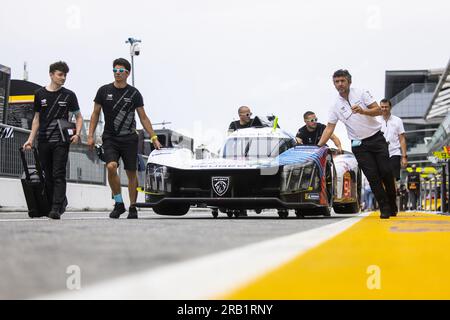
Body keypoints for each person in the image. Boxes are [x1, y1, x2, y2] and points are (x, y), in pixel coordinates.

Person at [87, 58, 162, 219]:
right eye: (115, 70)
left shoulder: (134, 93)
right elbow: (95, 113)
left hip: (129, 139)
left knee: (131, 173)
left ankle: (133, 207)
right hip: (110, 138)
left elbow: (143, 117)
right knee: (111, 167)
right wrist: (90, 135)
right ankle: (119, 203)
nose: (117, 74)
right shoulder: (103, 91)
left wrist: (154, 137)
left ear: (128, 73)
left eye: (121, 71)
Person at [317, 69, 397, 219]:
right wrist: (319, 145)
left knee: (386, 171)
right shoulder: (334, 105)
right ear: (334, 84)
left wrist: (363, 111)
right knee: (372, 176)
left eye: (342, 81)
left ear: (349, 81)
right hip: (359, 145)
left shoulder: (361, 93)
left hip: (376, 138)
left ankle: (392, 203)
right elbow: (329, 128)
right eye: (337, 81)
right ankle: (384, 207)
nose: (340, 84)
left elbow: (379, 111)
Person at [23, 61, 83, 219]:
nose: (63, 78)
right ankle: (54, 204)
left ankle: (56, 208)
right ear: (51, 74)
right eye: (60, 74)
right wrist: (30, 139)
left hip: (61, 141)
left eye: (65, 75)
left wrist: (77, 133)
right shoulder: (39, 94)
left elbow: (79, 117)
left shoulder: (69, 95)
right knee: (47, 174)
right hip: (43, 141)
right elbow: (36, 119)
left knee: (58, 173)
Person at [379, 99, 408, 181]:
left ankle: (393, 194)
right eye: (382, 107)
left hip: (394, 153)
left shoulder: (398, 120)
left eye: (386, 107)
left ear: (390, 107)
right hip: (380, 154)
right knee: (382, 179)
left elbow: (402, 139)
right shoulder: (376, 120)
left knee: (393, 179)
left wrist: (404, 157)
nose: (384, 109)